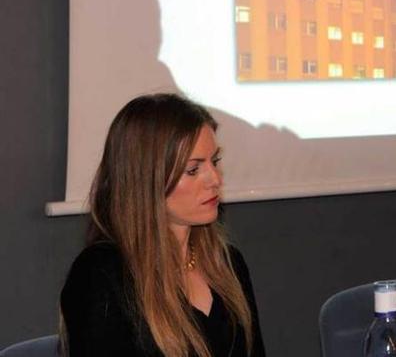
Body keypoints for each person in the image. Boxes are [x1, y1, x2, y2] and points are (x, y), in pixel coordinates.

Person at [60, 93, 265, 357]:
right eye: (193, 170)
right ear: (147, 180)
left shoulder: (227, 264)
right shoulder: (102, 276)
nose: (214, 179)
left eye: (214, 161)